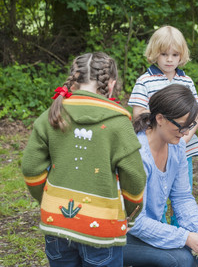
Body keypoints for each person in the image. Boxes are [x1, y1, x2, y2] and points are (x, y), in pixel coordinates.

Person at [21, 52, 147, 267]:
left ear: (74, 79)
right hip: (102, 227)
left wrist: (47, 200)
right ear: (112, 84)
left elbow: (31, 167)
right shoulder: (119, 122)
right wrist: (130, 213)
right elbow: (134, 177)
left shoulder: (53, 113)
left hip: (56, 221)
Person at [123, 84, 198, 267]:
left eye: (190, 126)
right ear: (160, 118)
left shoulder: (177, 147)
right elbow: (134, 221)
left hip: (145, 229)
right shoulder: (137, 154)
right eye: (181, 126)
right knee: (181, 260)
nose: (186, 133)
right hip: (121, 234)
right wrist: (184, 237)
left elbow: (182, 197)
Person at [128, 25, 198, 224]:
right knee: (154, 199)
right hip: (155, 152)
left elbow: (196, 115)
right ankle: (157, 233)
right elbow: (140, 115)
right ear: (154, 53)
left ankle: (183, 234)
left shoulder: (186, 81)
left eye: (175, 54)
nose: (169, 59)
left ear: (181, 55)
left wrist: (182, 139)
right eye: (164, 54)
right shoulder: (145, 81)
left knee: (181, 196)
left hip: (183, 149)